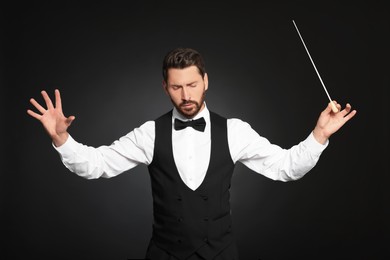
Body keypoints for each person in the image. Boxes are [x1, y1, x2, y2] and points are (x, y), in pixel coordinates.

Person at [27, 47, 356, 260]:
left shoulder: (236, 131)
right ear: (165, 88)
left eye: (192, 85)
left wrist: (319, 135)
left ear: (206, 81)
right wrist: (62, 138)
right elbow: (97, 165)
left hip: (222, 254)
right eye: (176, 87)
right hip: (164, 254)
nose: (186, 95)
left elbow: (285, 167)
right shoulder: (149, 133)